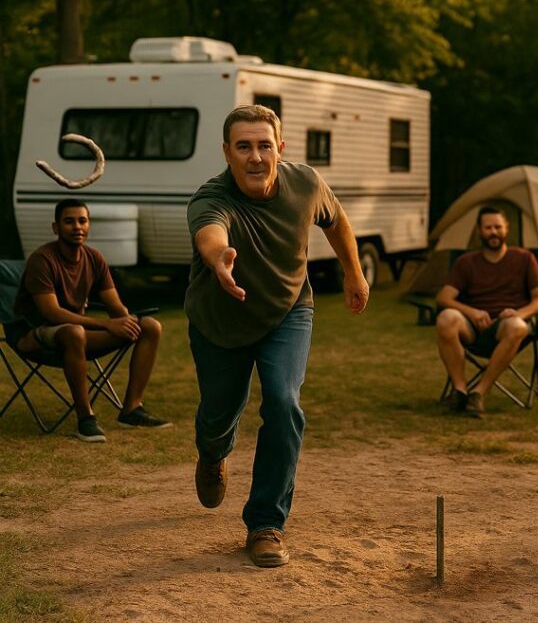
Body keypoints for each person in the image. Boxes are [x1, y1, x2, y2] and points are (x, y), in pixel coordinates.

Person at [186, 104, 369, 568]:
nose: (254, 156)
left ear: (280, 149)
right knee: (219, 412)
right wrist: (219, 260)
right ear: (227, 152)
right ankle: (213, 454)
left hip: (289, 310)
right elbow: (211, 234)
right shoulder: (212, 197)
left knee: (284, 403)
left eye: (264, 145)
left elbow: (336, 219)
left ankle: (266, 523)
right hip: (220, 319)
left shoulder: (305, 182)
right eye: (243, 146)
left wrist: (354, 273)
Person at [4, 199, 168, 442]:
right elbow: (52, 313)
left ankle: (132, 408)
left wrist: (127, 320)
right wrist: (106, 324)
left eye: (82, 220)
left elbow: (115, 306)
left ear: (89, 225)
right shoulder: (42, 260)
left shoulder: (94, 258)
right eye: (69, 221)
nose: (77, 226)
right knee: (74, 332)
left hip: (75, 335)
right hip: (34, 335)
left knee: (150, 326)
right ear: (56, 227)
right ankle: (85, 420)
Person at [435, 206, 538, 418]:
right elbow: (444, 297)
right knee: (446, 318)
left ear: (506, 228)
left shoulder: (524, 259)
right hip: (472, 328)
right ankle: (460, 390)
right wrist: (471, 312)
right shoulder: (466, 262)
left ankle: (479, 393)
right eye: (488, 227)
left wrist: (520, 314)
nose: (493, 232)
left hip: (506, 328)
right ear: (479, 230)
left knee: (517, 326)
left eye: (498, 227)